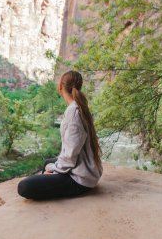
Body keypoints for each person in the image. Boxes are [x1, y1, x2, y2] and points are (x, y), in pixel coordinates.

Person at [17, 70, 103, 200]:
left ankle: (49, 187)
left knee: (24, 187)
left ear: (60, 87)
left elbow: (70, 155)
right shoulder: (79, 107)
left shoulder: (74, 113)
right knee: (47, 162)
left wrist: (54, 171)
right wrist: (53, 168)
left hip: (80, 179)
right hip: (85, 170)